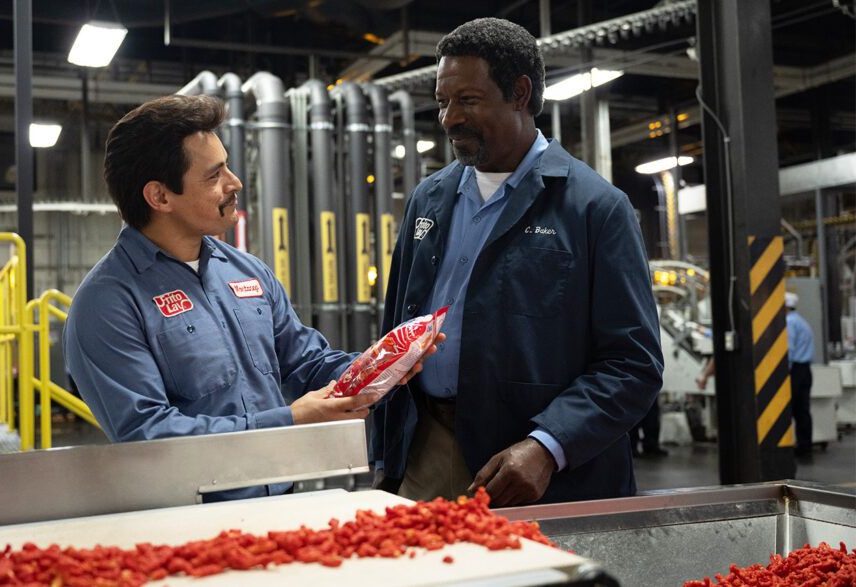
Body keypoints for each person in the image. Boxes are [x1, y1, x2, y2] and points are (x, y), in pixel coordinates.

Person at [64, 94, 437, 501]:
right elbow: (149, 436)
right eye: (214, 175)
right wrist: (289, 420)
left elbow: (306, 362)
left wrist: (379, 366)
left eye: (227, 165)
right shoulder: (107, 303)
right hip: (186, 520)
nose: (235, 182)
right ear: (160, 197)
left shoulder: (247, 272)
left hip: (281, 498)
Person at [372, 18, 663, 507]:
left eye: (467, 100)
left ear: (520, 93)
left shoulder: (594, 208)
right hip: (424, 446)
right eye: (443, 101)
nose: (448, 118)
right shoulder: (429, 198)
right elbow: (397, 326)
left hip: (528, 467)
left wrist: (548, 447)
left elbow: (633, 364)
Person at [785, 292, 815, 459]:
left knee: (788, 409)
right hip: (806, 370)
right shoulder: (802, 321)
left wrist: (785, 372)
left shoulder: (789, 322)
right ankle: (805, 444)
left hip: (795, 370)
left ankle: (784, 444)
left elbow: (788, 348)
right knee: (802, 409)